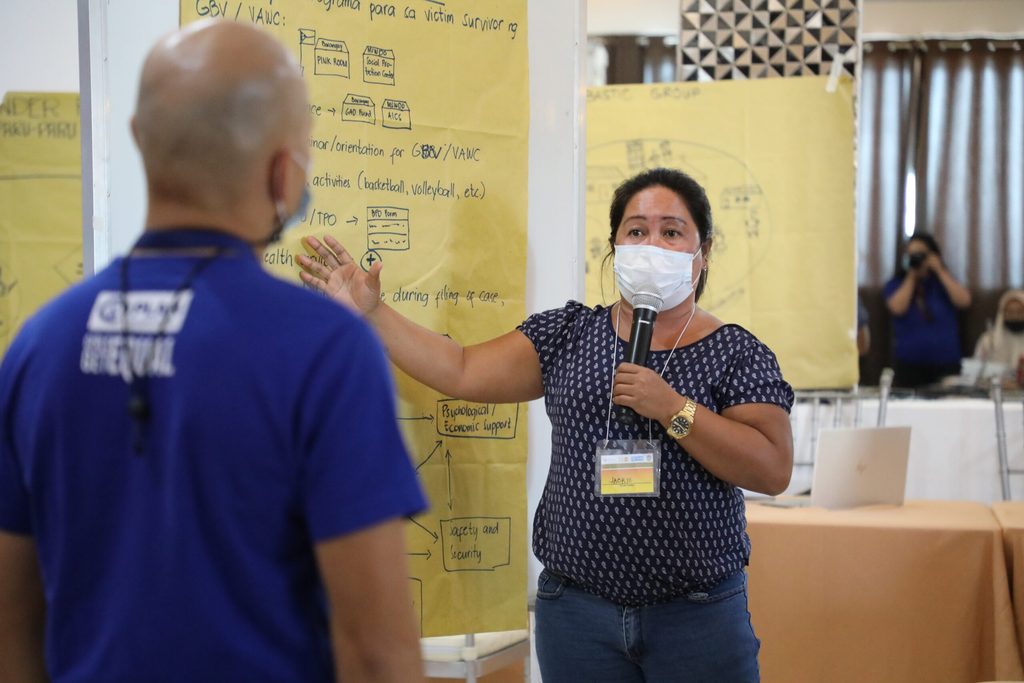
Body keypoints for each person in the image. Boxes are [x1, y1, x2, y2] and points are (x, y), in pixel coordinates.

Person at [0, 20, 427, 683]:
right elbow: (377, 654)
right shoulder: (325, 350)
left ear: (140, 139)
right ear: (285, 171)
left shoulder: (38, 345)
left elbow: (12, 630)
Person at [299, 167, 794, 682]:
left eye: (671, 232)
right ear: (614, 245)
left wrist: (673, 409)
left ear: (703, 252)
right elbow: (461, 369)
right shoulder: (568, 333)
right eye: (636, 231)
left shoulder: (736, 352)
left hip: (696, 615)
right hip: (578, 614)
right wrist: (373, 312)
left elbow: (772, 469)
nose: (652, 244)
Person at [884, 232, 972, 388]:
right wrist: (911, 276)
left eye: (921, 255)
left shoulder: (944, 282)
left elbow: (964, 301)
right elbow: (897, 308)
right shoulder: (897, 283)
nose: (917, 259)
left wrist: (939, 270)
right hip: (909, 364)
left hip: (946, 362)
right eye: (911, 255)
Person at [973, 288, 1024, 387]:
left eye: (1020, 312)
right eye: (1010, 312)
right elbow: (976, 372)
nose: (1015, 316)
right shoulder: (988, 340)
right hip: (995, 391)